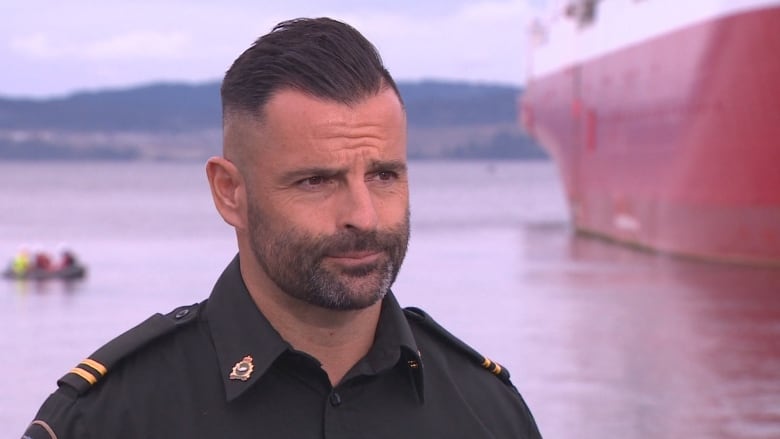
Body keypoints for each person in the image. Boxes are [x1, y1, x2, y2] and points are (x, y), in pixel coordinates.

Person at [22, 17, 542, 438]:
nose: (363, 215)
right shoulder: (111, 419)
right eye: (317, 180)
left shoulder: (487, 413)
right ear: (230, 192)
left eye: (384, 175)